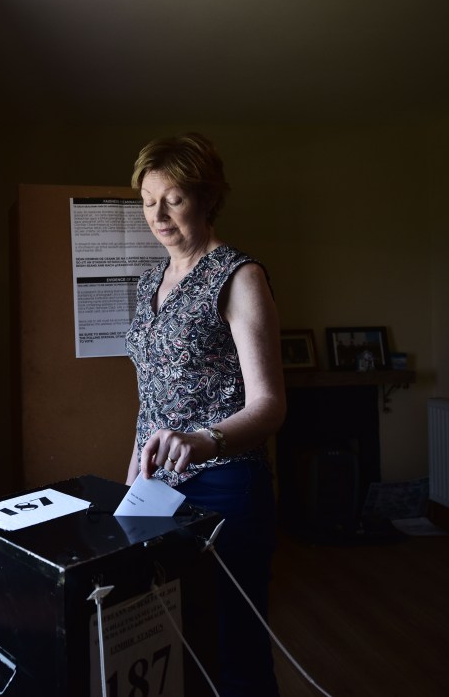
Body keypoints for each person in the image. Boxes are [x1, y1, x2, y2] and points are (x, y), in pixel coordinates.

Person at [124, 133, 286, 697]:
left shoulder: (239, 276)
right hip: (155, 488)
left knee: (235, 645)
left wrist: (203, 441)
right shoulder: (149, 284)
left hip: (224, 485)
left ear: (208, 197)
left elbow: (269, 406)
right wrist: (134, 469)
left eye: (173, 198)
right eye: (148, 200)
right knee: (169, 636)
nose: (158, 214)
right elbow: (153, 395)